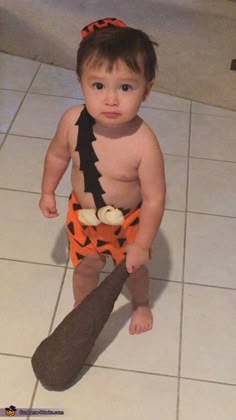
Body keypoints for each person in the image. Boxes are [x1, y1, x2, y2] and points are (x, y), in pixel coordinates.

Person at [39, 18, 166, 335]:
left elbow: (154, 198)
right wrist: (47, 191)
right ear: (81, 82)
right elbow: (57, 155)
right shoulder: (71, 121)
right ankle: (83, 310)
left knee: (133, 270)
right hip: (82, 217)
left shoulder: (143, 142)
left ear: (146, 90)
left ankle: (140, 303)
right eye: (98, 86)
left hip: (128, 222)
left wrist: (143, 243)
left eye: (125, 87)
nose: (111, 99)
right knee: (85, 268)